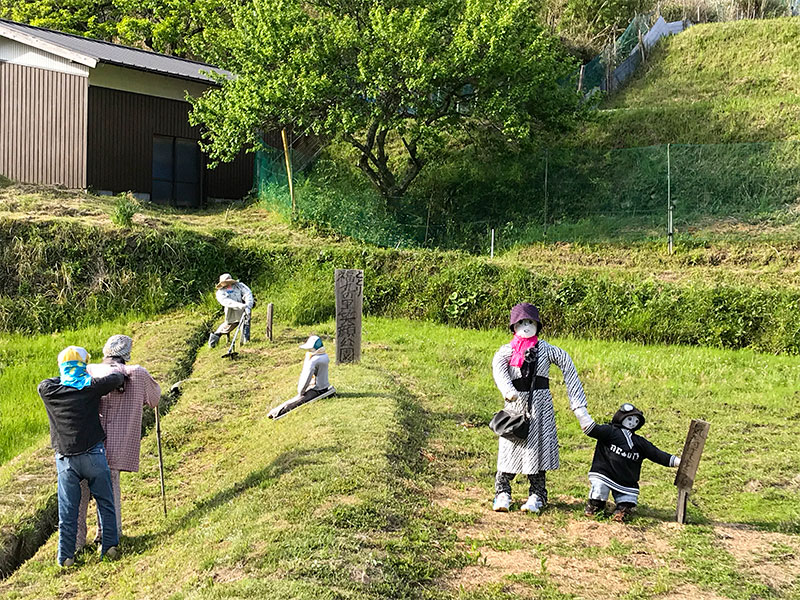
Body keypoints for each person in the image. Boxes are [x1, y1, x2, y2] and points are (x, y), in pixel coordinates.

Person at [491, 303, 592, 513]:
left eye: (530, 322)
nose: (526, 326)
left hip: (540, 406)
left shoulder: (545, 349)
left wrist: (579, 407)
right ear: (514, 326)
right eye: (521, 322)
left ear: (537, 325)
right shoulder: (507, 350)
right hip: (515, 406)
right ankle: (502, 492)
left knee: (536, 449)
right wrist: (508, 390)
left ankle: (537, 494)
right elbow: (499, 369)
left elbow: (566, 363)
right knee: (510, 446)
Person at [37, 346, 125, 567]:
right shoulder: (90, 387)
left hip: (66, 460)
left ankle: (65, 557)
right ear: (83, 367)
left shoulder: (49, 391)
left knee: (68, 511)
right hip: (94, 455)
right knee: (105, 502)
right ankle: (110, 547)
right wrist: (88, 374)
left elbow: (46, 381)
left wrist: (68, 374)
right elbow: (116, 377)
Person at [76, 335, 161, 549]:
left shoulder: (90, 370)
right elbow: (154, 399)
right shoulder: (138, 373)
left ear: (106, 351)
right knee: (110, 486)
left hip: (86, 441)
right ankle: (108, 536)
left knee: (81, 489)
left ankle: (75, 543)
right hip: (119, 444)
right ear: (127, 353)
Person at [583, 403, 681, 522]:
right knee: (599, 489)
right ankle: (595, 507)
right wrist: (580, 412)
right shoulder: (609, 431)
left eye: (635, 420)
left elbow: (656, 453)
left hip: (627, 480)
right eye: (629, 419)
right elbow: (591, 429)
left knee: (627, 499)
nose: (632, 422)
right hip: (605, 472)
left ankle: (622, 511)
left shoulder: (639, 442)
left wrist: (677, 462)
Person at [268, 335, 337, 419]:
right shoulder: (324, 356)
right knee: (295, 399)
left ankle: (276, 412)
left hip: (317, 389)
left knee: (296, 401)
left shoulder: (314, 361)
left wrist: (301, 391)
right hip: (324, 386)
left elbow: (306, 377)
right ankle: (275, 411)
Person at [209, 273, 254, 348]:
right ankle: (214, 340)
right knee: (228, 326)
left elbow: (248, 293)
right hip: (231, 311)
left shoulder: (239, 286)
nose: (228, 284)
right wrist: (240, 306)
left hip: (243, 309)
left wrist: (248, 305)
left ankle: (246, 342)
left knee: (245, 323)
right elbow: (226, 301)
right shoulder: (220, 292)